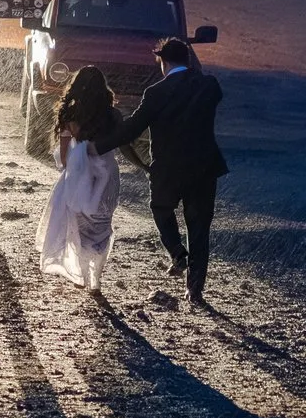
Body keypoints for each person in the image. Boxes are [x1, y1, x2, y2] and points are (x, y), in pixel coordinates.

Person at [99, 37, 227, 307]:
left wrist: (97, 146)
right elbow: (210, 93)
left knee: (161, 209)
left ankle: (177, 252)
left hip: (168, 169)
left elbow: (132, 129)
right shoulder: (208, 85)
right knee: (200, 228)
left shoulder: (157, 92)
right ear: (189, 61)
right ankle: (195, 291)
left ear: (163, 62)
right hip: (204, 168)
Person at [37, 66, 122, 290]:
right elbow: (121, 143)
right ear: (103, 89)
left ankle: (83, 273)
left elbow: (64, 160)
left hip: (79, 176)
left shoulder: (69, 115)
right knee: (103, 225)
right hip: (107, 175)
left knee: (81, 226)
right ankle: (96, 277)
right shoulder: (113, 115)